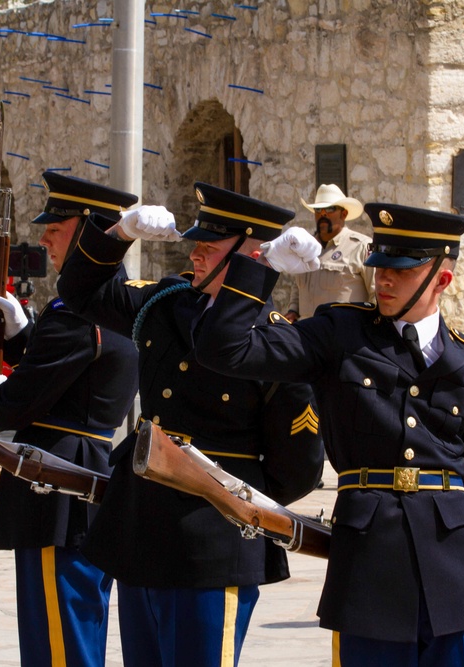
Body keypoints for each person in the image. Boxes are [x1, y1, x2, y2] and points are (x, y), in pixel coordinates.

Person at [194, 203, 464, 666]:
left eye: (401, 271)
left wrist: (447, 524)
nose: (383, 279)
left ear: (441, 280)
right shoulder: (339, 333)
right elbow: (226, 351)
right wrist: (259, 269)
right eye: (380, 266)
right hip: (369, 566)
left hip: (458, 573)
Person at [56, 182, 324, 667]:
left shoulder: (275, 339)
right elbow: (78, 292)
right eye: (197, 242)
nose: (196, 254)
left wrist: (232, 502)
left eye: (211, 246)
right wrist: (116, 234)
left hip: (213, 538)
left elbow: (298, 468)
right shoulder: (166, 303)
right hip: (142, 525)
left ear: (253, 255)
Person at [0, 172, 139, 666]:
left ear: (87, 234)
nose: (43, 238)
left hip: (54, 482)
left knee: (55, 639)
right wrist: (21, 337)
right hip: (86, 469)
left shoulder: (74, 315)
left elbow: (21, 402)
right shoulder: (117, 303)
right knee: (75, 628)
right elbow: (66, 378)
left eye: (55, 228)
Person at [284, 183, 373, 322]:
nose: (323, 214)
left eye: (329, 209)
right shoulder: (305, 248)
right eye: (318, 209)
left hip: (344, 339)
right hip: (306, 337)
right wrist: (293, 310)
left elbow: (376, 294)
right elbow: (298, 286)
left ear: (344, 214)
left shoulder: (361, 247)